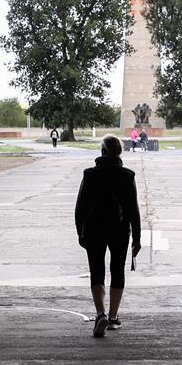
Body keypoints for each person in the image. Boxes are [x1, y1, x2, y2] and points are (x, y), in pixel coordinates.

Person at [75, 135, 141, 337]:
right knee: (117, 270)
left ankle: (100, 313)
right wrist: (137, 237)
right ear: (119, 152)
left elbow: (80, 208)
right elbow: (133, 210)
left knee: (97, 271)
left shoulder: (90, 174)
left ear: (102, 151)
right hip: (120, 229)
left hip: (94, 229)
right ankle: (113, 317)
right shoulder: (127, 176)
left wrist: (81, 232)